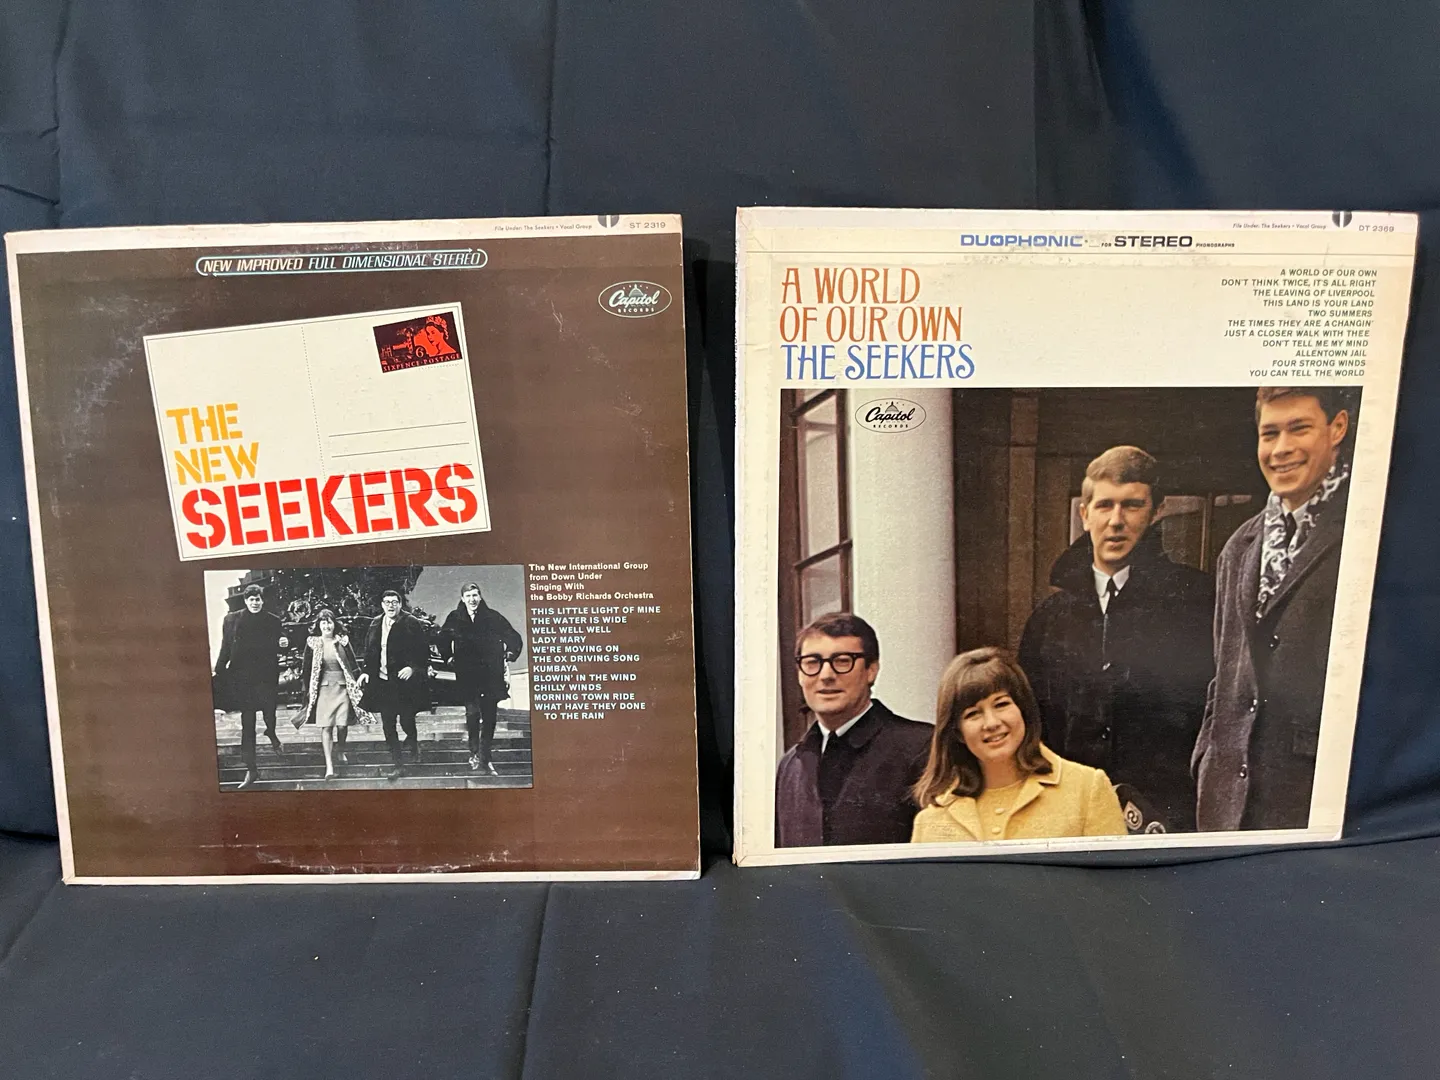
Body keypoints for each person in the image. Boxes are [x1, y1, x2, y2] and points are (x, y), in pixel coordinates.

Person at [1018, 446, 1214, 832]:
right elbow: (1032, 726)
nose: (1116, 521)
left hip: (1169, 814)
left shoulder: (1197, 600)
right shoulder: (1049, 619)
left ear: (1157, 511)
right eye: (1105, 505)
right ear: (1085, 514)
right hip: (1071, 814)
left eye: (1133, 505)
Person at [1193, 387, 1354, 831]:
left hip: (1316, 801)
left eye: (1299, 428)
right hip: (1228, 805)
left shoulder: (1367, 530)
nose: (1281, 449)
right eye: (1269, 434)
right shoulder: (1239, 547)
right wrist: (1207, 759)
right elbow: (1223, 677)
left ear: (1337, 427)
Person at [911, 648, 1127, 843]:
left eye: (1001, 704)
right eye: (973, 714)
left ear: (1023, 709)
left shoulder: (1086, 790)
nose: (992, 723)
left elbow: (1113, 875)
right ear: (957, 732)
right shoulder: (930, 820)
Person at [774, 612, 933, 847]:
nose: (826, 675)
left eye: (842, 661)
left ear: (871, 670)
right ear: (799, 674)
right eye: (812, 663)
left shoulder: (923, 748)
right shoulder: (789, 765)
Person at [441, 583, 524, 774]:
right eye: (468, 596)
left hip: (490, 676)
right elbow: (442, 638)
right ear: (462, 599)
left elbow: (513, 636)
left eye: (475, 595)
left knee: (489, 717)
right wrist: (448, 657)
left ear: (480, 597)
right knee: (472, 714)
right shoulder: (455, 618)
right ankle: (474, 753)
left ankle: (486, 758)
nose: (472, 599)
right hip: (468, 676)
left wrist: (511, 653)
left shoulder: (493, 617)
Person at [213, 583, 284, 790]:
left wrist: (284, 642)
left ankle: (271, 733)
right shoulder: (231, 619)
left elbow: (279, 644)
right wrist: (218, 670)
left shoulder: (273, 621)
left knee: (270, 712)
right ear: (246, 601)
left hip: (266, 677)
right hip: (243, 678)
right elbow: (226, 646)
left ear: (262, 600)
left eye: (258, 599)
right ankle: (251, 768)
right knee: (248, 721)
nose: (255, 603)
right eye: (251, 599)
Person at [359, 590, 432, 780]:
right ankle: (398, 764)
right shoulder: (375, 623)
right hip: (383, 683)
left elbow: (423, 651)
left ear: (400, 604)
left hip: (404, 683)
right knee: (388, 725)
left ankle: (413, 742)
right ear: (382, 605)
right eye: (387, 602)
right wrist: (366, 671)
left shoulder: (410, 622)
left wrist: (412, 668)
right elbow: (369, 650)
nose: (390, 606)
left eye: (394, 602)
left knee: (406, 719)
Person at [295, 609, 368, 780]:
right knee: (326, 726)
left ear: (334, 624)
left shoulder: (343, 641)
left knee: (342, 725)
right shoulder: (313, 642)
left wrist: (359, 682)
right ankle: (329, 766)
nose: (326, 626)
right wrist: (306, 691)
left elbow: (353, 664)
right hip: (323, 689)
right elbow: (306, 669)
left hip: (343, 687)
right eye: (323, 623)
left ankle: (340, 749)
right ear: (318, 625)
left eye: (329, 622)